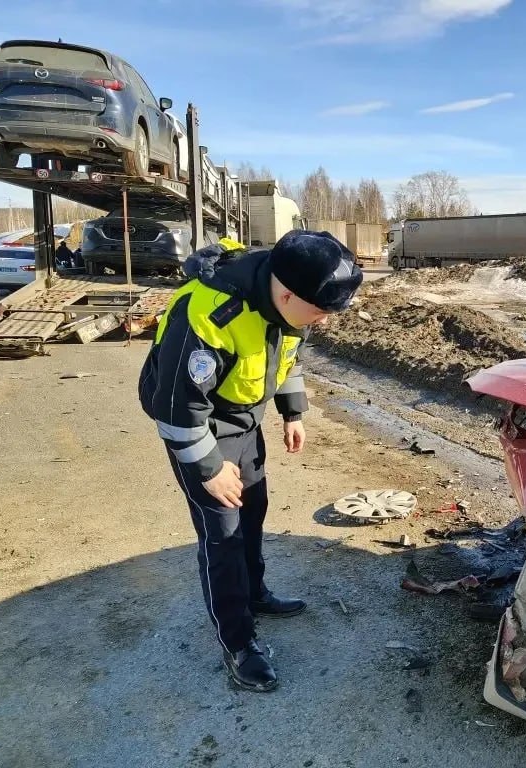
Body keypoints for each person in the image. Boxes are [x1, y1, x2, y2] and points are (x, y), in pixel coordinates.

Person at [138, 230, 363, 692]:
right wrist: (209, 468)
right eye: (319, 311)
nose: (320, 321)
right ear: (286, 293)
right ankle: (238, 645)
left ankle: (255, 594)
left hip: (243, 420)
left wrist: (292, 411)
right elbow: (177, 410)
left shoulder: (284, 300)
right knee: (222, 535)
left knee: (253, 512)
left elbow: (285, 353)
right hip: (200, 429)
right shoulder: (208, 314)